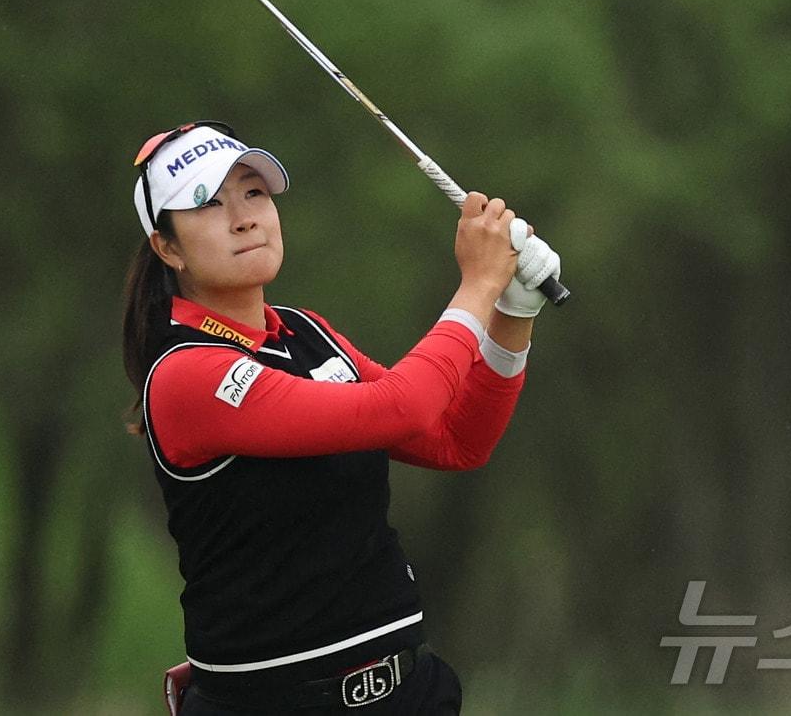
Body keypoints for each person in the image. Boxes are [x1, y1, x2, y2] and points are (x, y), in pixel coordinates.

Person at [121, 121, 560, 714]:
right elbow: (403, 407)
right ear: (167, 247)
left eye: (254, 193)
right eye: (208, 203)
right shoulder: (186, 374)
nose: (244, 218)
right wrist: (479, 284)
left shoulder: (307, 332)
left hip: (407, 690)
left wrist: (511, 314)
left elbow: (456, 440)